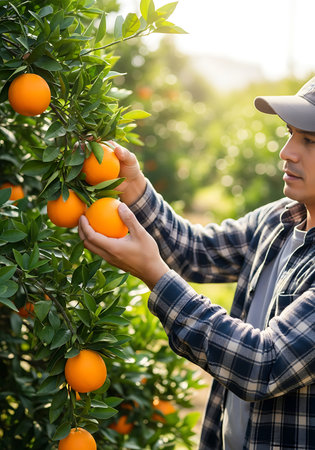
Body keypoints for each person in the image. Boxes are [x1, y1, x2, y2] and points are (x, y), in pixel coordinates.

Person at [78, 76, 315, 449]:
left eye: (309, 141)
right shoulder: (278, 220)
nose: (287, 152)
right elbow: (195, 252)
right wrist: (137, 188)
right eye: (289, 134)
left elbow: (263, 363)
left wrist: (156, 276)